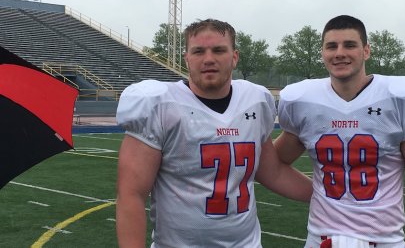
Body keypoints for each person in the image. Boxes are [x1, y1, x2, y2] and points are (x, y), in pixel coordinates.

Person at [115, 18, 312, 248]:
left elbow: (273, 172)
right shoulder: (160, 104)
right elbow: (131, 195)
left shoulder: (255, 101)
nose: (208, 59)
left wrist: (327, 196)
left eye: (219, 50)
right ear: (187, 58)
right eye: (198, 51)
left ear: (234, 56)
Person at [275, 15, 405, 248]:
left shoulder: (399, 99)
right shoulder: (306, 102)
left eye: (350, 45)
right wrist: (315, 192)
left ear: (366, 51)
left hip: (384, 241)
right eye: (331, 46)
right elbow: (274, 163)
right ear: (323, 53)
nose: (339, 53)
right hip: (320, 240)